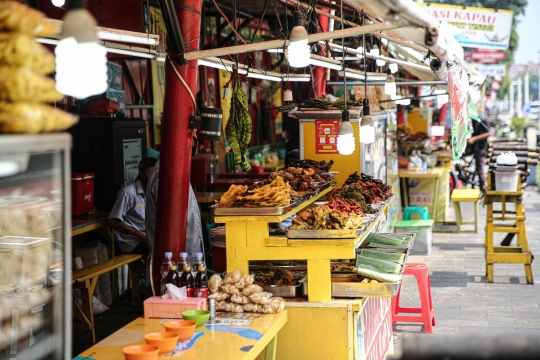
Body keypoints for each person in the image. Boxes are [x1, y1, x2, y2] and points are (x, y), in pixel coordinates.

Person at [145, 131, 204, 268]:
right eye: (192, 135)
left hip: (187, 262)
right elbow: (172, 227)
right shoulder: (167, 173)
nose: (195, 140)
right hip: (174, 268)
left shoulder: (177, 167)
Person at [108, 157, 158, 256]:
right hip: (132, 242)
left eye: (156, 174)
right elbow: (112, 221)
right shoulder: (128, 193)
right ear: (141, 173)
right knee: (160, 252)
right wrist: (138, 233)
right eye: (150, 172)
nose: (153, 177)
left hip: (148, 238)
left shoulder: (153, 191)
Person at [465, 113, 491, 193]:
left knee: (480, 170)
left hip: (480, 148)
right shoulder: (469, 121)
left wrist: (474, 139)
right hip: (471, 148)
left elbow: (489, 133)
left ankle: (484, 191)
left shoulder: (481, 120)